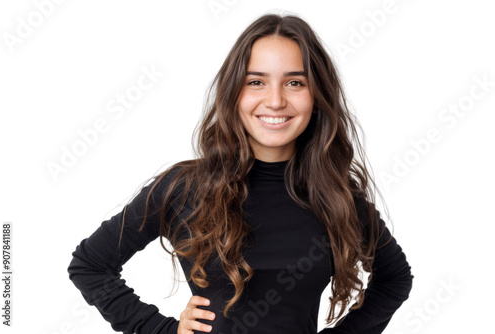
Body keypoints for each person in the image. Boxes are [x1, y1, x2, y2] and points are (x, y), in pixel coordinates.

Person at [67, 13, 413, 334]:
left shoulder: (337, 197)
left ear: (316, 96)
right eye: (256, 82)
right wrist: (163, 330)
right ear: (234, 92)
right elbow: (90, 265)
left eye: (294, 83)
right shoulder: (183, 189)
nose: (275, 101)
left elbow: (394, 279)